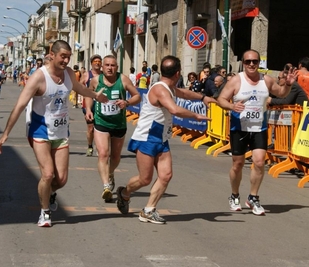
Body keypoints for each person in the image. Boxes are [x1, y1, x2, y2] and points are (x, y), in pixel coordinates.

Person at [0, 40, 109, 228]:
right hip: (40, 130)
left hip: (61, 131)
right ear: (52, 54)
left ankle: (47, 192)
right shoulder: (39, 78)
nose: (66, 60)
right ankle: (45, 212)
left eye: (68, 56)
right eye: (63, 56)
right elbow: (20, 105)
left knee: (61, 179)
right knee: (48, 174)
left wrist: (95, 95)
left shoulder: (69, 74)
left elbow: (78, 88)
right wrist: (6, 133)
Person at [116, 55, 214, 224]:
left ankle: (148, 210)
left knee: (166, 175)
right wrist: (196, 115)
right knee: (144, 179)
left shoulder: (170, 87)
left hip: (161, 137)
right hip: (147, 137)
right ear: (178, 73)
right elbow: (174, 109)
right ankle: (124, 193)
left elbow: (184, 93)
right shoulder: (160, 89)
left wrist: (203, 98)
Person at [217, 49, 298, 216]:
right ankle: (234, 195)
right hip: (239, 128)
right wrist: (232, 106)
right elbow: (221, 99)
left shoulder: (266, 80)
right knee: (237, 164)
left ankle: (253, 197)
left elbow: (281, 93)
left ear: (259, 63)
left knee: (259, 162)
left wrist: (288, 84)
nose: (252, 64)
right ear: (243, 63)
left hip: (259, 127)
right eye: (248, 62)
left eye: (255, 61)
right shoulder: (235, 80)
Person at [85, 55, 141, 203]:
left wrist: (126, 102)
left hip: (119, 124)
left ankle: (110, 173)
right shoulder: (96, 81)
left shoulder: (123, 80)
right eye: (107, 65)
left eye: (113, 65)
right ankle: (106, 186)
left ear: (117, 67)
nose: (110, 68)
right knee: (103, 154)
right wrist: (89, 109)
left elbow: (138, 96)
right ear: (102, 67)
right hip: (101, 122)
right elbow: (88, 94)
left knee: (115, 157)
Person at [80, 54, 102, 156]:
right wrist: (83, 96)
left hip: (101, 104)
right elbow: (79, 87)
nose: (97, 63)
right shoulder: (86, 74)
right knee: (90, 128)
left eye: (99, 62)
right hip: (89, 104)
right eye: (95, 62)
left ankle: (99, 147)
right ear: (91, 63)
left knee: (100, 127)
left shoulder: (104, 75)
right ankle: (90, 146)